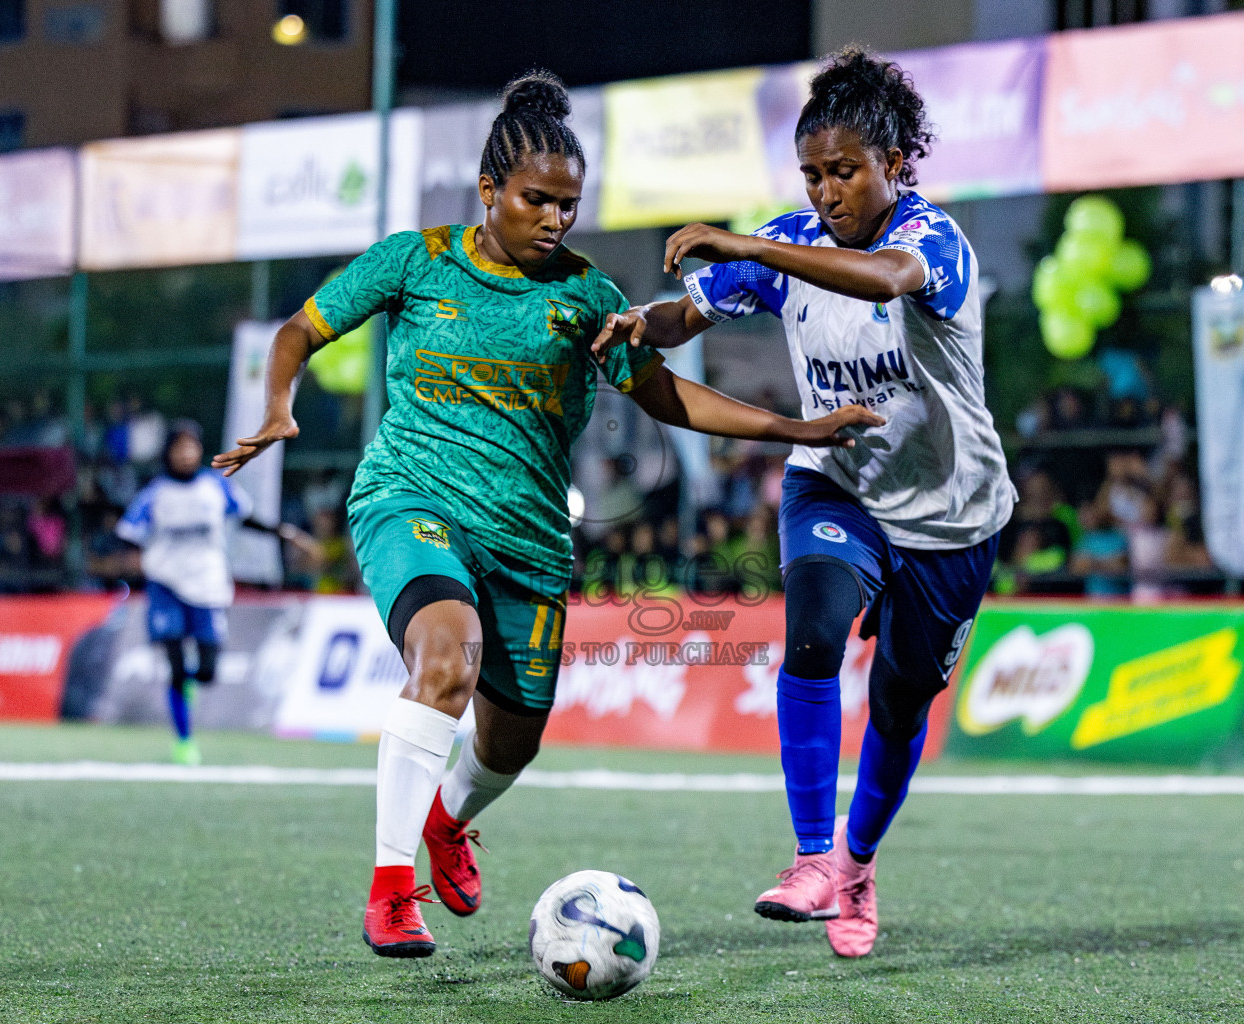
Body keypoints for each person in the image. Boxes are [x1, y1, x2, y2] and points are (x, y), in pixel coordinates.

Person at [212, 71, 881, 960]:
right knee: (444, 663)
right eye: (537, 200)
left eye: (569, 204)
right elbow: (298, 331)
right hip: (411, 498)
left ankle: (451, 819)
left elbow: (669, 399)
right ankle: (389, 890)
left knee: (512, 741)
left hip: (527, 541)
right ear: (489, 192)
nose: (556, 218)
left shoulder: (591, 300)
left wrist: (794, 428)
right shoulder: (413, 260)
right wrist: (279, 406)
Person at [592, 47, 1014, 957]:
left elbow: (884, 278)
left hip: (952, 515)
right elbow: (684, 318)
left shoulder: (933, 242)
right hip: (838, 480)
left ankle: (859, 867)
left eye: (845, 172)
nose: (826, 193)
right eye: (813, 175)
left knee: (900, 710)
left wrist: (747, 243)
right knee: (814, 633)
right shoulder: (789, 244)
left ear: (895, 164)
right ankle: (813, 859)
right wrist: (640, 324)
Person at [117, 419, 312, 765]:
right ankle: (184, 742)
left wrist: (286, 533)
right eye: (180, 447)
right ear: (169, 453)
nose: (186, 453)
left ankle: (190, 684)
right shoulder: (155, 493)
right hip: (167, 585)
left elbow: (246, 518)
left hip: (208, 586)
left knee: (207, 671)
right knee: (177, 666)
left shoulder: (214, 488)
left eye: (192, 446)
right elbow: (127, 534)